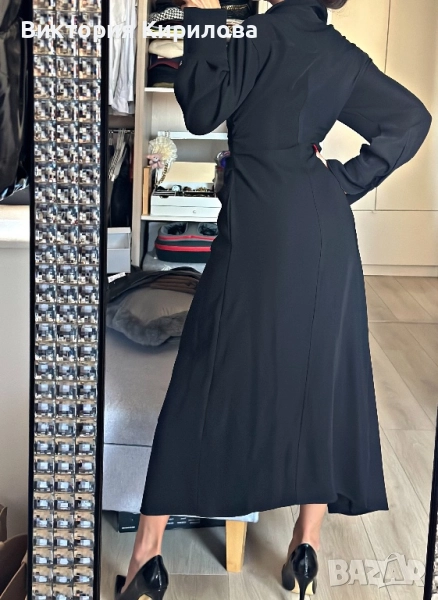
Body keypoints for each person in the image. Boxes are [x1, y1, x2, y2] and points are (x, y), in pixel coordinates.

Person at [116, 0, 432, 598]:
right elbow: (411, 120)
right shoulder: (340, 54)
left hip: (257, 223)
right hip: (324, 229)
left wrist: (200, 16)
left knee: (205, 371)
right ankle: (306, 545)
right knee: (319, 378)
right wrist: (342, 182)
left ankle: (146, 553)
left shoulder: (248, 33)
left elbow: (201, 111)